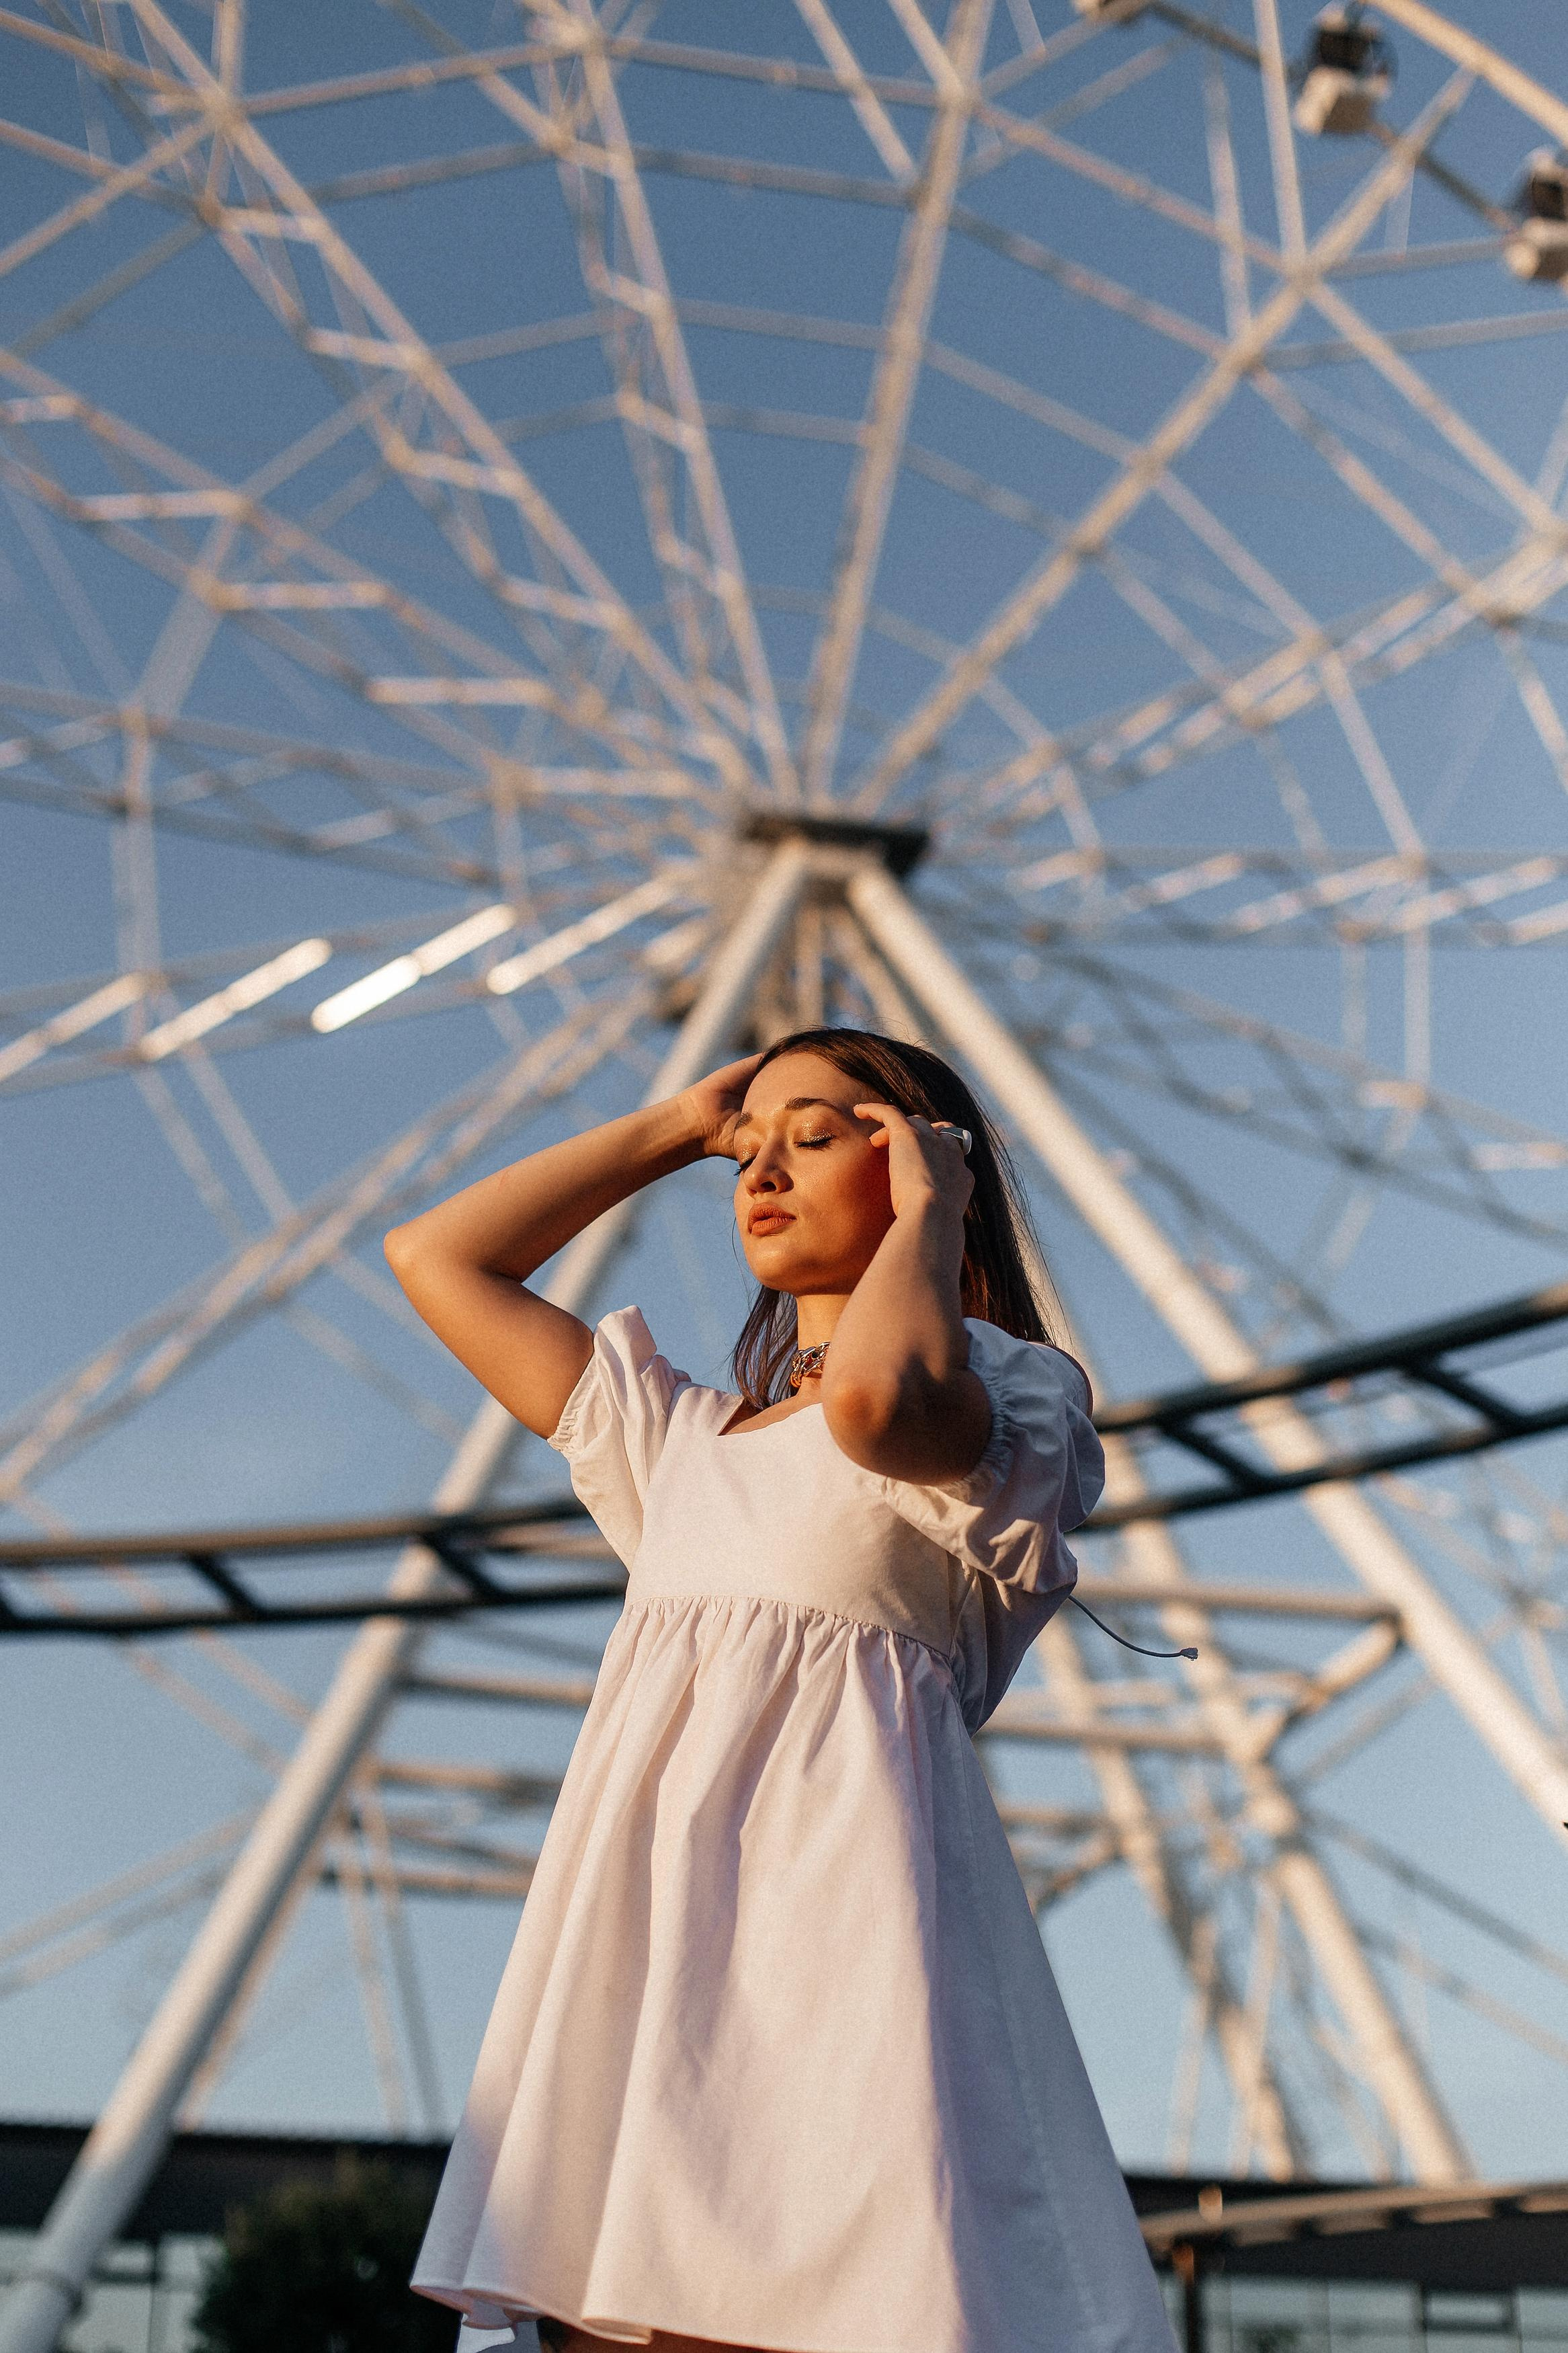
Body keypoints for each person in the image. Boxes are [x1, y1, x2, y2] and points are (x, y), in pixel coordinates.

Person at [384, 1026, 1175, 2353]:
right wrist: (678, 1126)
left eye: (815, 1136)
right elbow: (437, 1257)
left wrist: (935, 1204)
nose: (759, 1167)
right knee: (617, 2301)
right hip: (655, 1930)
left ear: (927, 1158)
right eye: (746, 1149)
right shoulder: (675, 1440)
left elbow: (873, 1397)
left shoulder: (1007, 1397)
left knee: (813, 2292)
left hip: (840, 1934)